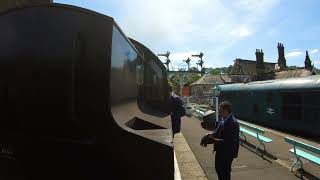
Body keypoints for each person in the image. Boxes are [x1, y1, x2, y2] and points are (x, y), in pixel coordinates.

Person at [200, 101, 239, 180]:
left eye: (221, 111)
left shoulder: (232, 123)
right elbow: (217, 132)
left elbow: (228, 142)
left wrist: (212, 139)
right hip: (220, 150)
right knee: (218, 169)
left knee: (224, 172)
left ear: (226, 110)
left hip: (227, 152)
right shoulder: (223, 119)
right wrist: (209, 136)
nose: (219, 113)